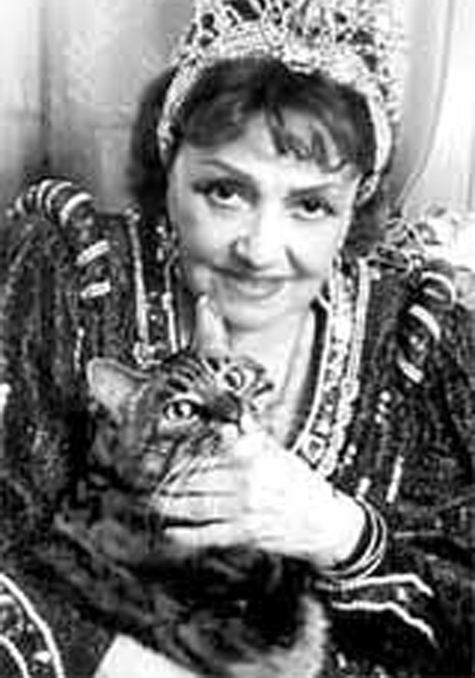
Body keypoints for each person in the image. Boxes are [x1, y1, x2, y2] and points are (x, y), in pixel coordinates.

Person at [1, 0, 474, 677]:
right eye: (224, 191)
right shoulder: (74, 279)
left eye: (311, 205)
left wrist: (341, 532)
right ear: (168, 169)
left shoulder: (418, 343)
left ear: (354, 210)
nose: (260, 249)